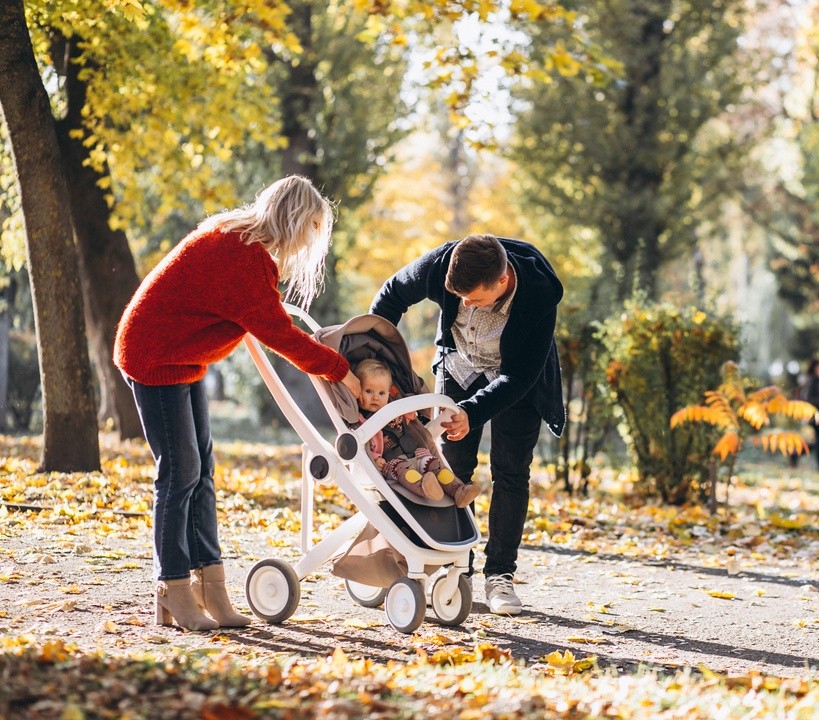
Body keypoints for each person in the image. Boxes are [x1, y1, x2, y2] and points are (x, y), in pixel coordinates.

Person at [113, 175, 361, 631]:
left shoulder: (241, 244)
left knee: (202, 472)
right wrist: (342, 370)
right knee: (180, 472)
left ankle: (211, 588)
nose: (309, 243)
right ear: (295, 221)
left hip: (181, 359)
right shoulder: (241, 257)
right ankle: (171, 587)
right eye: (310, 230)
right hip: (154, 356)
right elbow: (282, 337)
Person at [370, 234, 564, 615]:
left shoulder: (539, 292)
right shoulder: (444, 263)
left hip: (514, 379)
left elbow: (520, 376)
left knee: (510, 472)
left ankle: (499, 575)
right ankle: (457, 570)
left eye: (474, 299)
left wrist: (472, 413)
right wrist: (375, 358)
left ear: (503, 281)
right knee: (450, 469)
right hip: (459, 367)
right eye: (459, 298)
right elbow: (391, 295)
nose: (465, 306)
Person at [354, 359, 481, 508]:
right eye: (369, 391)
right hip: (392, 463)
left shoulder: (398, 411)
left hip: (416, 453)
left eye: (381, 393)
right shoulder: (361, 422)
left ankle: (458, 490)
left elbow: (413, 423)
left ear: (389, 393)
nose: (375, 397)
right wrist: (375, 459)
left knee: (434, 464)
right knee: (403, 469)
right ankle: (425, 487)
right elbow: (363, 447)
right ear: (358, 390)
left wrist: (410, 412)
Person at [789, 357, 819, 471]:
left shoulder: (818, 380)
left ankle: (795, 455)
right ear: (815, 367)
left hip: (818, 415)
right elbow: (808, 399)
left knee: (818, 441)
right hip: (813, 415)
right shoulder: (811, 381)